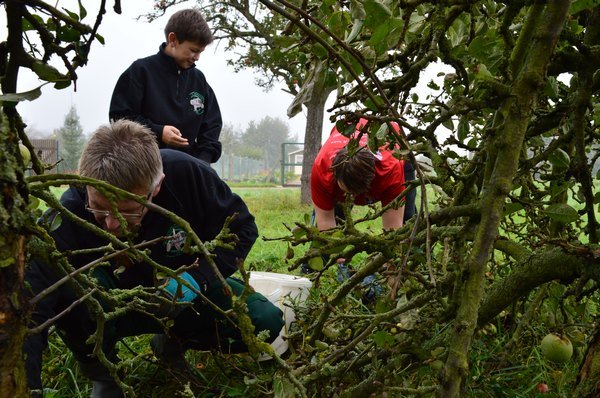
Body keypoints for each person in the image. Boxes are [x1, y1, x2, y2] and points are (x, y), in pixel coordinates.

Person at [23, 120, 284, 398]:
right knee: (65, 290)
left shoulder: (187, 175)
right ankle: (105, 376)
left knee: (263, 320)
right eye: (98, 208)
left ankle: (173, 340)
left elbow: (241, 229)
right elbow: (32, 308)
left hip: (181, 295)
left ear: (156, 187)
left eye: (128, 210)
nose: (111, 224)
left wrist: (195, 279)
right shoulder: (67, 214)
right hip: (110, 302)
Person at [109, 8, 222, 163]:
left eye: (200, 52)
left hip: (187, 170)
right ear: (173, 39)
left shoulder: (198, 80)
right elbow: (120, 119)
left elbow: (211, 126)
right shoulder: (141, 71)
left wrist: (202, 162)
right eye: (193, 50)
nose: (197, 58)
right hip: (143, 168)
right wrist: (158, 132)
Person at [311, 118, 416, 232]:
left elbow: (393, 228)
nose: (353, 197)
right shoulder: (322, 169)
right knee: (335, 221)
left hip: (398, 154)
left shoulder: (390, 170)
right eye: (347, 191)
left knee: (407, 221)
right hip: (349, 128)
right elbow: (326, 224)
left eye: (357, 192)